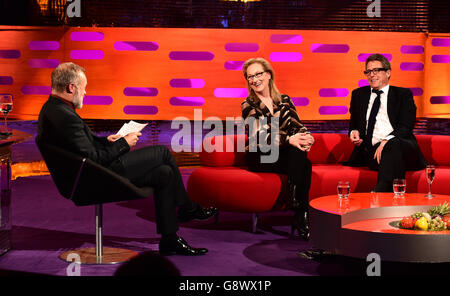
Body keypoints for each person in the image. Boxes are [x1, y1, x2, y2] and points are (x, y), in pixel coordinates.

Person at [37, 62, 217, 256]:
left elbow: (80, 147)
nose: (85, 92)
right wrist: (124, 144)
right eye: (84, 87)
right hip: (93, 178)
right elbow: (93, 159)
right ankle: (188, 208)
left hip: (91, 173)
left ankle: (170, 239)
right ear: (71, 87)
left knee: (163, 173)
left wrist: (106, 140)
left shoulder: (54, 109)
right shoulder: (64, 115)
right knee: (162, 153)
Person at [241, 57, 314, 240]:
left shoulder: (284, 100)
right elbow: (259, 136)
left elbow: (297, 126)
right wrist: (289, 139)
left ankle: (297, 207)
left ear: (268, 75)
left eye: (258, 74)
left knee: (303, 159)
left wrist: (307, 136)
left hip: (279, 152)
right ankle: (300, 212)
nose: (254, 80)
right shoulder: (248, 104)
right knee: (303, 162)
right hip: (259, 155)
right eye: (250, 77)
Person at [345, 54, 426, 191]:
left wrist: (386, 141)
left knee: (393, 144)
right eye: (368, 71)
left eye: (376, 70)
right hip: (372, 152)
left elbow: (406, 126)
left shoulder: (403, 94)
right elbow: (354, 124)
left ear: (388, 73)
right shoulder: (359, 95)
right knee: (391, 156)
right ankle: (392, 195)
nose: (372, 75)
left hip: (403, 148)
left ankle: (381, 191)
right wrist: (354, 132)